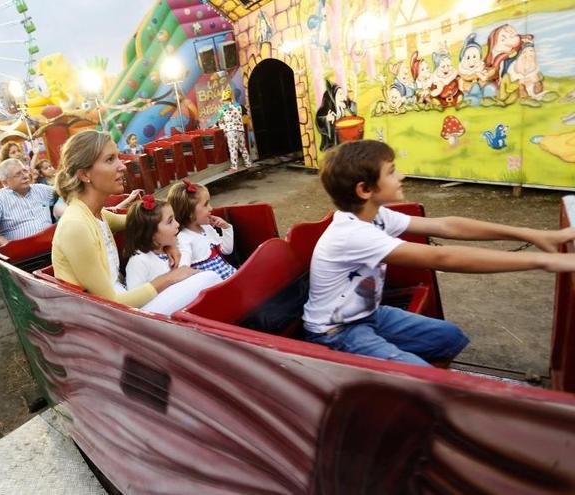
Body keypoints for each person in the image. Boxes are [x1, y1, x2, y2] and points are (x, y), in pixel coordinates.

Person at [302, 139, 575, 366]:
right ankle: (408, 394)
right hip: (335, 332)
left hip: (368, 315)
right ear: (365, 190)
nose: (402, 176)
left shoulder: (376, 216)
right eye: (392, 172)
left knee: (449, 337)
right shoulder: (352, 234)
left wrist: (534, 234)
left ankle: (402, 383)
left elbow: (448, 225)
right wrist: (544, 261)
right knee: (426, 379)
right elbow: (443, 258)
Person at [51, 130, 200, 308]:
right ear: (84, 175)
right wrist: (169, 278)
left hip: (124, 299)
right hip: (111, 315)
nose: (122, 166)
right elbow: (111, 303)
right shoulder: (75, 225)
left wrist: (171, 245)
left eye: (118, 157)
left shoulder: (96, 214)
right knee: (208, 278)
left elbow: (148, 221)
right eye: (110, 160)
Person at [123, 196, 221, 315]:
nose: (177, 224)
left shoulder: (170, 250)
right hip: (155, 315)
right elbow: (135, 304)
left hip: (182, 307)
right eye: (170, 221)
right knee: (210, 277)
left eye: (174, 219)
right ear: (151, 233)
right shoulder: (139, 261)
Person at [0, 158, 55, 246]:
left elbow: (64, 192)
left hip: (51, 245)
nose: (25, 176)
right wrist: (2, 241)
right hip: (24, 253)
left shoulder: (41, 189)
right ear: (5, 182)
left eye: (24, 171)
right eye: (18, 174)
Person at [167, 178, 237, 281]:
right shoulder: (184, 238)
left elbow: (227, 250)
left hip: (229, 275)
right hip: (214, 285)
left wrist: (226, 228)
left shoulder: (207, 228)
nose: (211, 208)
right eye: (206, 204)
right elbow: (183, 269)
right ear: (190, 213)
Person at [216, 87, 252, 171]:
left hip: (231, 131)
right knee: (243, 147)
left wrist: (224, 131)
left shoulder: (222, 110)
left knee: (233, 149)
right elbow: (245, 114)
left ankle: (234, 166)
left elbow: (221, 122)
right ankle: (248, 163)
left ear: (223, 98)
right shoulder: (239, 106)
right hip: (240, 130)